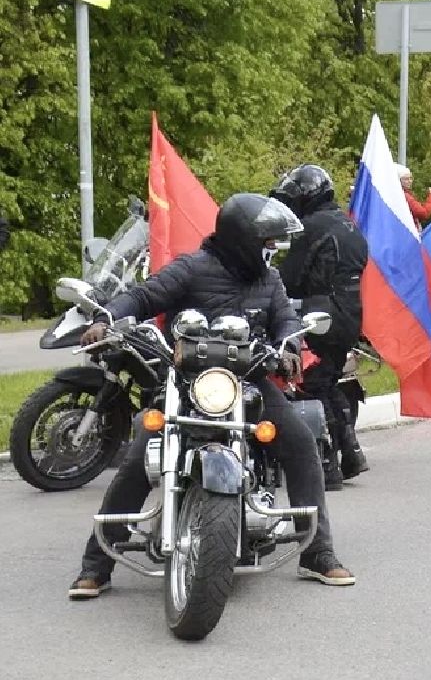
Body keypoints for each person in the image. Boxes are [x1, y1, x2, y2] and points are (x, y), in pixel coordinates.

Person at [67, 193, 355, 600]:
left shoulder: (268, 280)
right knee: (140, 455)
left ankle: (317, 552)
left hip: (250, 381)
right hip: (188, 384)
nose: (271, 251)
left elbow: (285, 319)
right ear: (242, 240)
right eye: (266, 242)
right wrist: (106, 318)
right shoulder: (192, 268)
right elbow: (145, 295)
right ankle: (97, 563)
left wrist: (289, 347)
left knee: (301, 442)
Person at [271, 164, 370, 490]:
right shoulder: (347, 224)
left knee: (312, 384)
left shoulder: (312, 227)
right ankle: (352, 453)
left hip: (323, 315)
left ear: (306, 196)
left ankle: (327, 468)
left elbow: (291, 279)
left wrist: (267, 286)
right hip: (350, 315)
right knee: (328, 383)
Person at [397, 164, 431, 231]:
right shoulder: (405, 196)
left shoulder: (400, 194)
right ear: (398, 180)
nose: (410, 181)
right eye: (406, 179)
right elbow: (424, 213)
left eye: (410, 178)